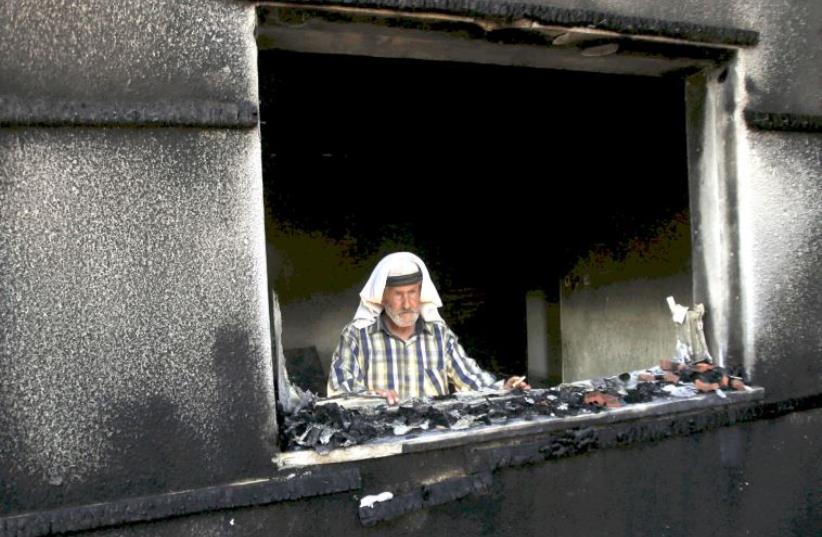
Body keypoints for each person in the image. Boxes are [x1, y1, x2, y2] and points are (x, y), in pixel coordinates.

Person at [327, 252, 530, 404]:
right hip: (379, 439)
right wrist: (372, 396)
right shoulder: (357, 335)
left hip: (432, 437)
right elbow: (339, 388)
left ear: (421, 293)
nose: (407, 304)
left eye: (412, 293)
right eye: (398, 294)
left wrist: (504, 387)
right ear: (382, 296)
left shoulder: (440, 335)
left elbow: (471, 379)